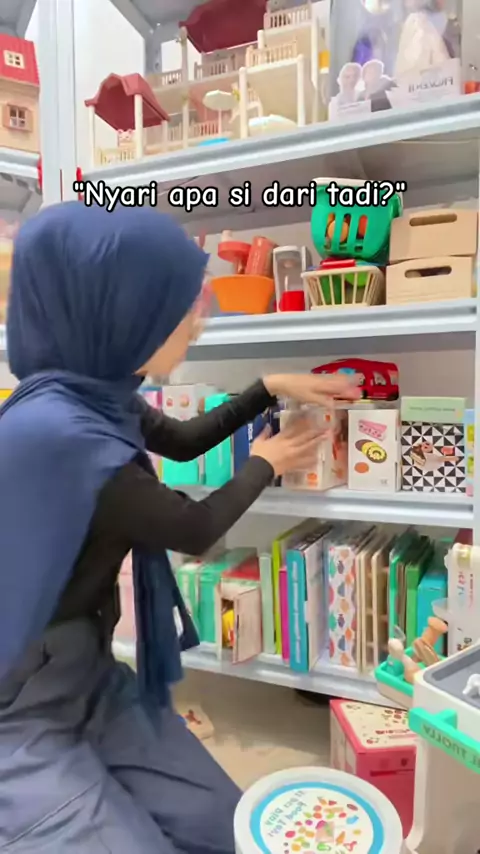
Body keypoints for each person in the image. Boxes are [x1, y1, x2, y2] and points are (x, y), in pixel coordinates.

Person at [0, 202, 360, 853]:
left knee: (230, 827)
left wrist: (267, 386)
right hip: (18, 697)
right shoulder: (63, 437)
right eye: (180, 307)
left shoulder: (95, 392)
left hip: (85, 667)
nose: (199, 321)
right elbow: (193, 528)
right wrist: (266, 462)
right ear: (120, 315)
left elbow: (184, 440)